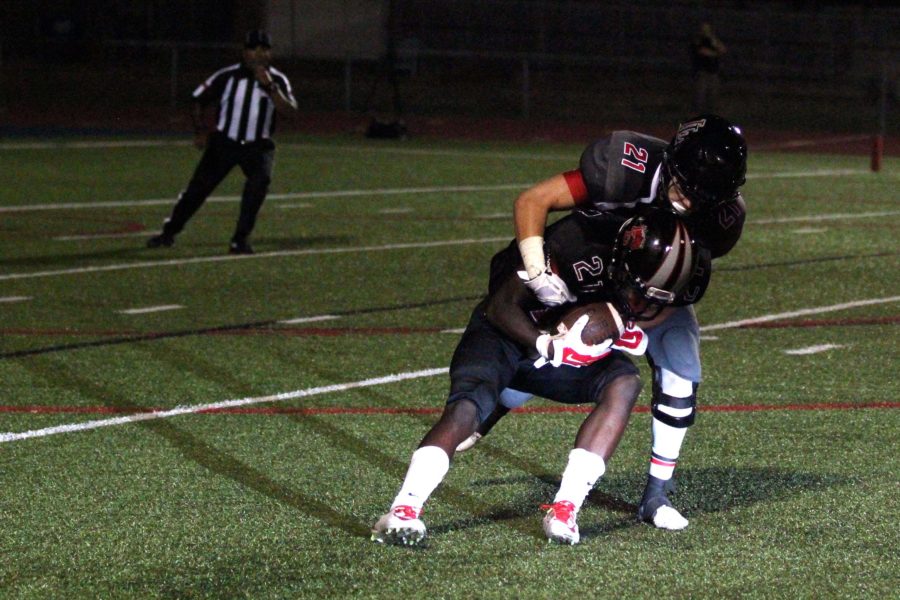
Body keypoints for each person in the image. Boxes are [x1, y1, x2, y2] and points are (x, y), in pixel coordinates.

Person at [459, 114, 748, 531]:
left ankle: (656, 495)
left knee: (681, 364)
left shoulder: (722, 220)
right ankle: (493, 410)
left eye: (703, 197)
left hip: (644, 289)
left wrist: (631, 320)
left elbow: (680, 284)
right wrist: (538, 270)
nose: (690, 202)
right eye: (685, 186)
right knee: (549, 346)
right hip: (589, 260)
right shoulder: (624, 167)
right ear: (671, 163)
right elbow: (533, 201)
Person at [371, 208, 707, 546]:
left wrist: (610, 330)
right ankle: (404, 509)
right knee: (466, 410)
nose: (642, 303)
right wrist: (546, 344)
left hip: (556, 348)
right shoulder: (572, 247)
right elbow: (500, 306)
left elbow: (639, 312)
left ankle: (565, 509)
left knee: (624, 381)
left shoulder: (645, 272)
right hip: (503, 337)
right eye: (640, 291)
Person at [147, 30, 298, 255]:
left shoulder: (278, 80)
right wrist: (199, 130)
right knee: (197, 190)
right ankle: (169, 233)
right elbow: (198, 99)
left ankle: (240, 239)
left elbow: (291, 111)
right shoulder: (227, 76)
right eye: (253, 49)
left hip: (259, 145)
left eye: (264, 49)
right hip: (225, 143)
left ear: (270, 53)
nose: (259, 54)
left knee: (258, 185)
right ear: (244, 52)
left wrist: (270, 88)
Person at [691, 22, 727, 113]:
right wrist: (716, 53)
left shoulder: (713, 40)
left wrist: (713, 40)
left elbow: (723, 49)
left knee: (713, 95)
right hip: (702, 72)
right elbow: (703, 51)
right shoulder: (698, 40)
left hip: (713, 72)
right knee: (700, 96)